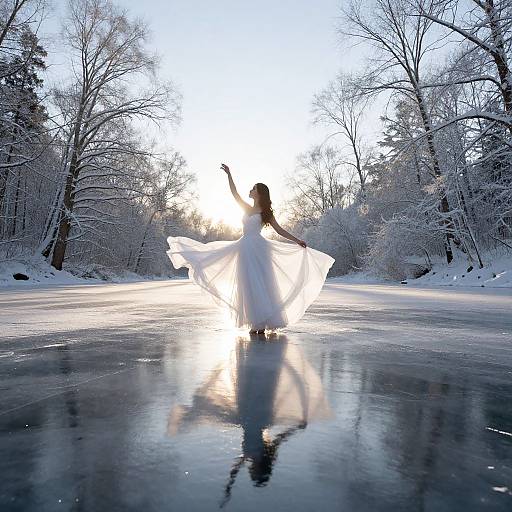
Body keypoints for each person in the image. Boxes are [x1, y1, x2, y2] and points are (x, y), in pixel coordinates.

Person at [166, 163, 335, 334]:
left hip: (259, 250)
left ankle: (262, 323)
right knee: (247, 284)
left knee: (261, 284)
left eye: (254, 188)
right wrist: (229, 174)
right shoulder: (247, 208)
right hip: (244, 249)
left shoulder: (266, 213)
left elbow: (279, 230)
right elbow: (235, 194)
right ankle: (255, 321)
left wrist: (297, 240)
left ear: (259, 193)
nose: (251, 190)